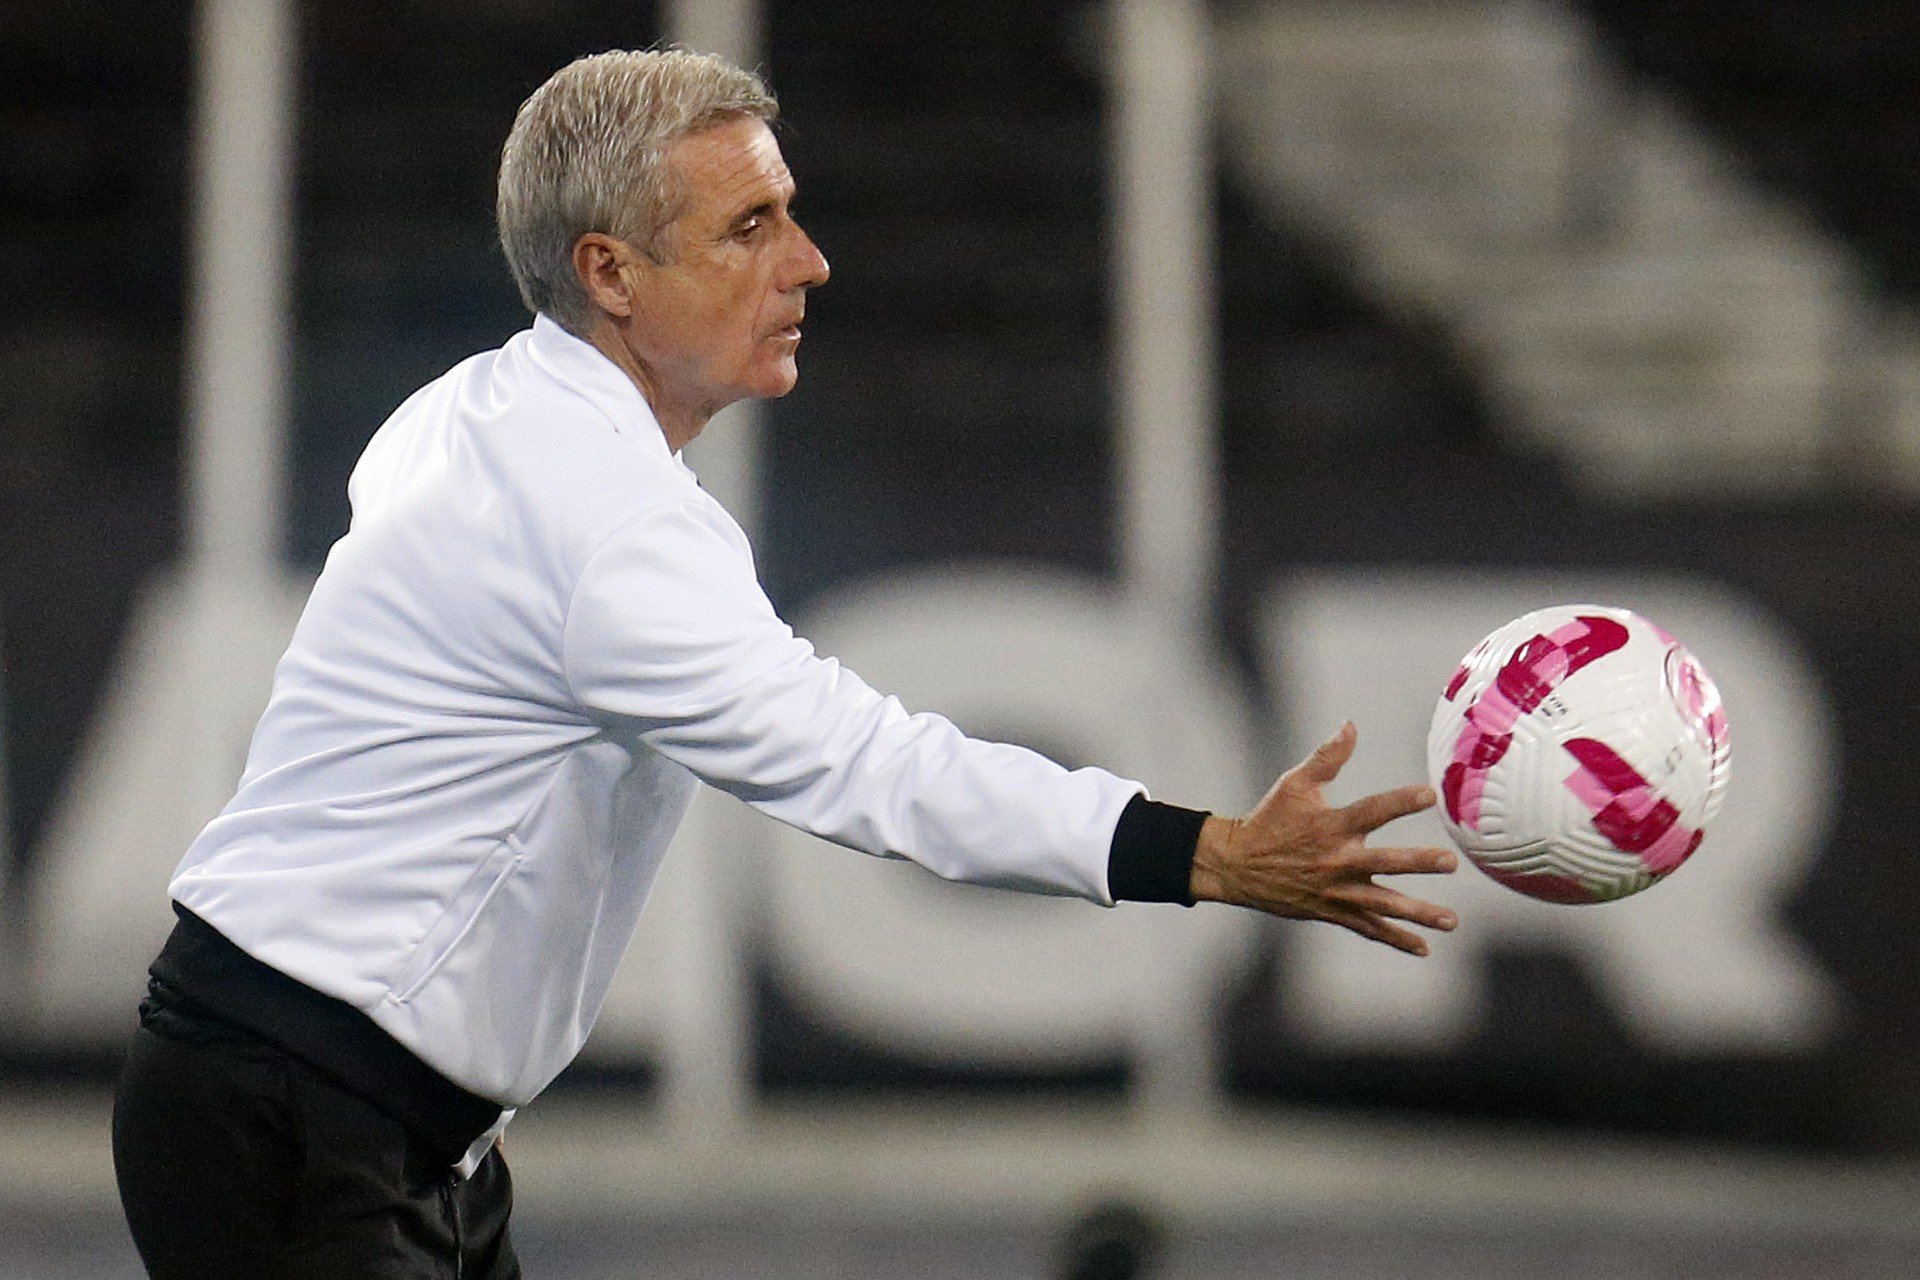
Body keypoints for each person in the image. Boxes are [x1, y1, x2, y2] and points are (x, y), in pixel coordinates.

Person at [110, 48, 1459, 1279]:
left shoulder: (475, 407)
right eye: (750, 227)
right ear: (610, 272)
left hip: (327, 1101)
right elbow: (869, 771)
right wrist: (1209, 852)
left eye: (789, 213)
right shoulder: (607, 521)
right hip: (302, 1114)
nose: (807, 262)